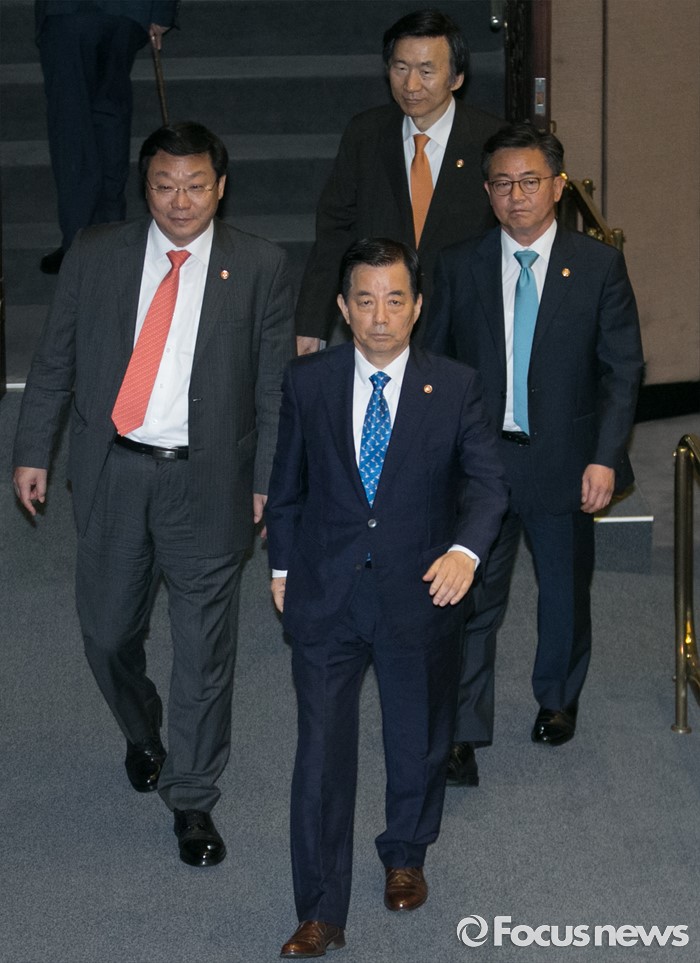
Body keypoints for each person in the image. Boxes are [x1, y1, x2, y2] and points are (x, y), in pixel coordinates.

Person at [12, 121, 295, 866]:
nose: (180, 201)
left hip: (210, 480)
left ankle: (193, 796)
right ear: (146, 187)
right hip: (114, 471)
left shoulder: (260, 265)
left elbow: (275, 388)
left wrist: (269, 480)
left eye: (196, 185)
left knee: (203, 650)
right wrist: (33, 450)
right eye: (165, 185)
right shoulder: (97, 253)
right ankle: (143, 730)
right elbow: (55, 359)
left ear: (221, 187)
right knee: (107, 634)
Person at [266, 238, 508, 957]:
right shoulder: (308, 381)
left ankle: (406, 851)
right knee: (320, 753)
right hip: (326, 591)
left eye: (395, 299)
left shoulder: (455, 385)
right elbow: (287, 487)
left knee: (418, 736)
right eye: (365, 300)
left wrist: (465, 552)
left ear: (418, 306)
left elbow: (488, 485)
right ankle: (320, 910)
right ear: (343, 308)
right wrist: (282, 566)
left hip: (420, 592)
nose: (380, 316)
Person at [424, 122, 644, 786]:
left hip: (566, 462)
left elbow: (621, 369)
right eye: (502, 183)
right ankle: (462, 730)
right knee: (468, 598)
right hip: (482, 465)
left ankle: (557, 696)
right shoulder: (457, 264)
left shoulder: (597, 264)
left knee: (564, 592)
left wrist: (605, 456)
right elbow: (434, 367)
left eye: (529, 182)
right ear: (486, 190)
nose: (516, 196)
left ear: (558, 186)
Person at [295, 8, 500, 355]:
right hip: (381, 327)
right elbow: (334, 234)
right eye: (400, 68)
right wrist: (312, 323)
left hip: (467, 327)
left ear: (456, 78)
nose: (411, 85)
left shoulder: (490, 141)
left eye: (426, 71)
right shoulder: (366, 135)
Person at [35, 0, 179, 274]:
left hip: (68, 13)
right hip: (126, 14)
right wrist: (162, 11)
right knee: (111, 120)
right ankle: (110, 240)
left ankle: (80, 245)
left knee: (71, 128)